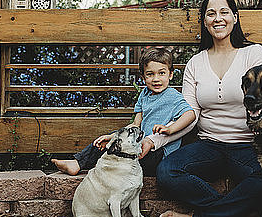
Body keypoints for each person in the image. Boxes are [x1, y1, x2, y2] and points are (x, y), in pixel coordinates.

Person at [155, 0, 262, 217]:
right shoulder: (195, 63)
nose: (217, 18)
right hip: (209, 145)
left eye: (224, 12)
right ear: (205, 22)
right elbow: (190, 113)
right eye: (210, 14)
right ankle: (236, 214)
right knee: (167, 171)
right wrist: (156, 139)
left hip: (248, 145)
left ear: (235, 17)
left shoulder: (253, 53)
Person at [51, 47, 196, 177]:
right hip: (139, 145)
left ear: (170, 75)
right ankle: (77, 164)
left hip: (159, 154)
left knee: (124, 154)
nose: (156, 79)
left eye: (162, 73)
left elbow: (190, 115)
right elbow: (135, 125)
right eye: (150, 74)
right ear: (143, 77)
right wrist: (113, 136)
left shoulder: (173, 96)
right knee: (110, 140)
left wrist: (170, 129)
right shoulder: (144, 95)